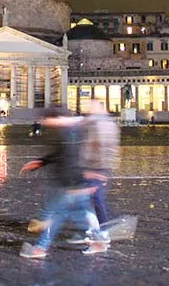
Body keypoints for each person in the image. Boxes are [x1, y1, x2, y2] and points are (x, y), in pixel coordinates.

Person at [19, 108, 108, 259]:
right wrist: (41, 162)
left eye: (47, 120)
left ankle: (40, 248)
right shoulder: (69, 130)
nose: (45, 123)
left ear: (56, 117)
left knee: (55, 214)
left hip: (68, 183)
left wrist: (77, 182)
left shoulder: (70, 132)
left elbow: (72, 159)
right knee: (78, 214)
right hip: (72, 183)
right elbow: (60, 154)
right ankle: (98, 241)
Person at [74, 100, 120, 244]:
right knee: (88, 199)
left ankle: (103, 232)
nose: (89, 109)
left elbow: (108, 149)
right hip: (90, 167)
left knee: (97, 200)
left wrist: (102, 171)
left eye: (92, 107)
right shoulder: (94, 122)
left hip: (98, 168)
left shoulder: (106, 125)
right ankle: (94, 228)